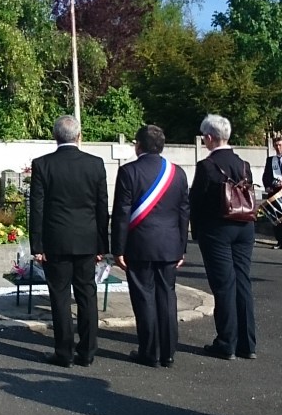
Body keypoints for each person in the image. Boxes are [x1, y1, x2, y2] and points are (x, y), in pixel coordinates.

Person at [29, 115, 109, 367]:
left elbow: (37, 208)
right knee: (87, 295)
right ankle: (87, 352)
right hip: (87, 241)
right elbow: (101, 207)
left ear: (55, 137)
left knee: (60, 296)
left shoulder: (43, 165)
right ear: (79, 136)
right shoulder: (95, 164)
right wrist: (101, 246)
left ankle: (63, 353)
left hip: (57, 241)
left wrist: (37, 246)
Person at [111, 125, 189, 368]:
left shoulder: (128, 171)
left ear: (139, 146)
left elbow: (122, 213)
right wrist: (182, 248)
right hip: (169, 246)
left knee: (144, 298)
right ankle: (168, 353)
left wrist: (118, 248)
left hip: (139, 245)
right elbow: (184, 212)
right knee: (167, 297)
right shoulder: (178, 173)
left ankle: (150, 352)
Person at [189, 114, 257, 361]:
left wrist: (195, 231)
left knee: (224, 284)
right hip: (245, 225)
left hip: (217, 228)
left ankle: (226, 342)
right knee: (242, 281)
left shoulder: (206, 166)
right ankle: (247, 343)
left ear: (209, 138)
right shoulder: (243, 164)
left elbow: (196, 201)